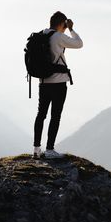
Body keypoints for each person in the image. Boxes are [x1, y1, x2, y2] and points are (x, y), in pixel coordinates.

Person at [33, 11, 83, 159]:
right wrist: (72, 29)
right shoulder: (59, 36)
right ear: (62, 24)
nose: (65, 29)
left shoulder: (42, 34)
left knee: (41, 114)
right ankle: (49, 150)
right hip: (59, 82)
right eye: (65, 26)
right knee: (55, 116)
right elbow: (79, 44)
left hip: (43, 82)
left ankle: (36, 149)